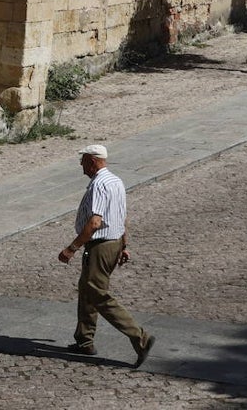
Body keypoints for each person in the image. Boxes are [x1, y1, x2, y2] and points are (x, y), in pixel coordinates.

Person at [58, 143, 156, 366]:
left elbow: (95, 222)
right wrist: (123, 244)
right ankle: (84, 340)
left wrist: (71, 248)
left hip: (101, 246)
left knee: (98, 294)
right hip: (113, 243)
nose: (81, 166)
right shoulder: (116, 180)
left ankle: (140, 338)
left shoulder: (100, 185)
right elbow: (122, 215)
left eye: (83, 161)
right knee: (87, 289)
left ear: (92, 162)